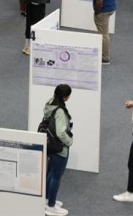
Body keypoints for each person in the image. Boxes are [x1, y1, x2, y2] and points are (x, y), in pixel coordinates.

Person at [43, 84, 73, 216]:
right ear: (66, 96)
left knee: (50, 173)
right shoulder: (60, 111)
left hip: (50, 143)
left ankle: (46, 199)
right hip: (59, 147)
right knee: (56, 176)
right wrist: (69, 141)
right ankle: (51, 206)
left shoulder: (50, 102)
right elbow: (61, 133)